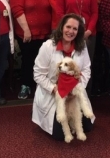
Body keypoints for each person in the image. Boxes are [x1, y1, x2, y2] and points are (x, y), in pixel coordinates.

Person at [32, 13, 95, 141]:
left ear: (79, 31)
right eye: (68, 27)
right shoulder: (48, 46)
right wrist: (55, 89)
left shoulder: (82, 46)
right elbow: (38, 74)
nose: (71, 31)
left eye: (75, 29)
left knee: (87, 126)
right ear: (61, 27)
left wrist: (77, 89)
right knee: (59, 134)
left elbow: (86, 70)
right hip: (54, 93)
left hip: (74, 93)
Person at [9, 0, 52, 100]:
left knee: (44, 61)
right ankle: (26, 85)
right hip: (27, 34)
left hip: (45, 33)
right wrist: (26, 29)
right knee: (29, 60)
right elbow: (17, 10)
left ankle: (41, 86)